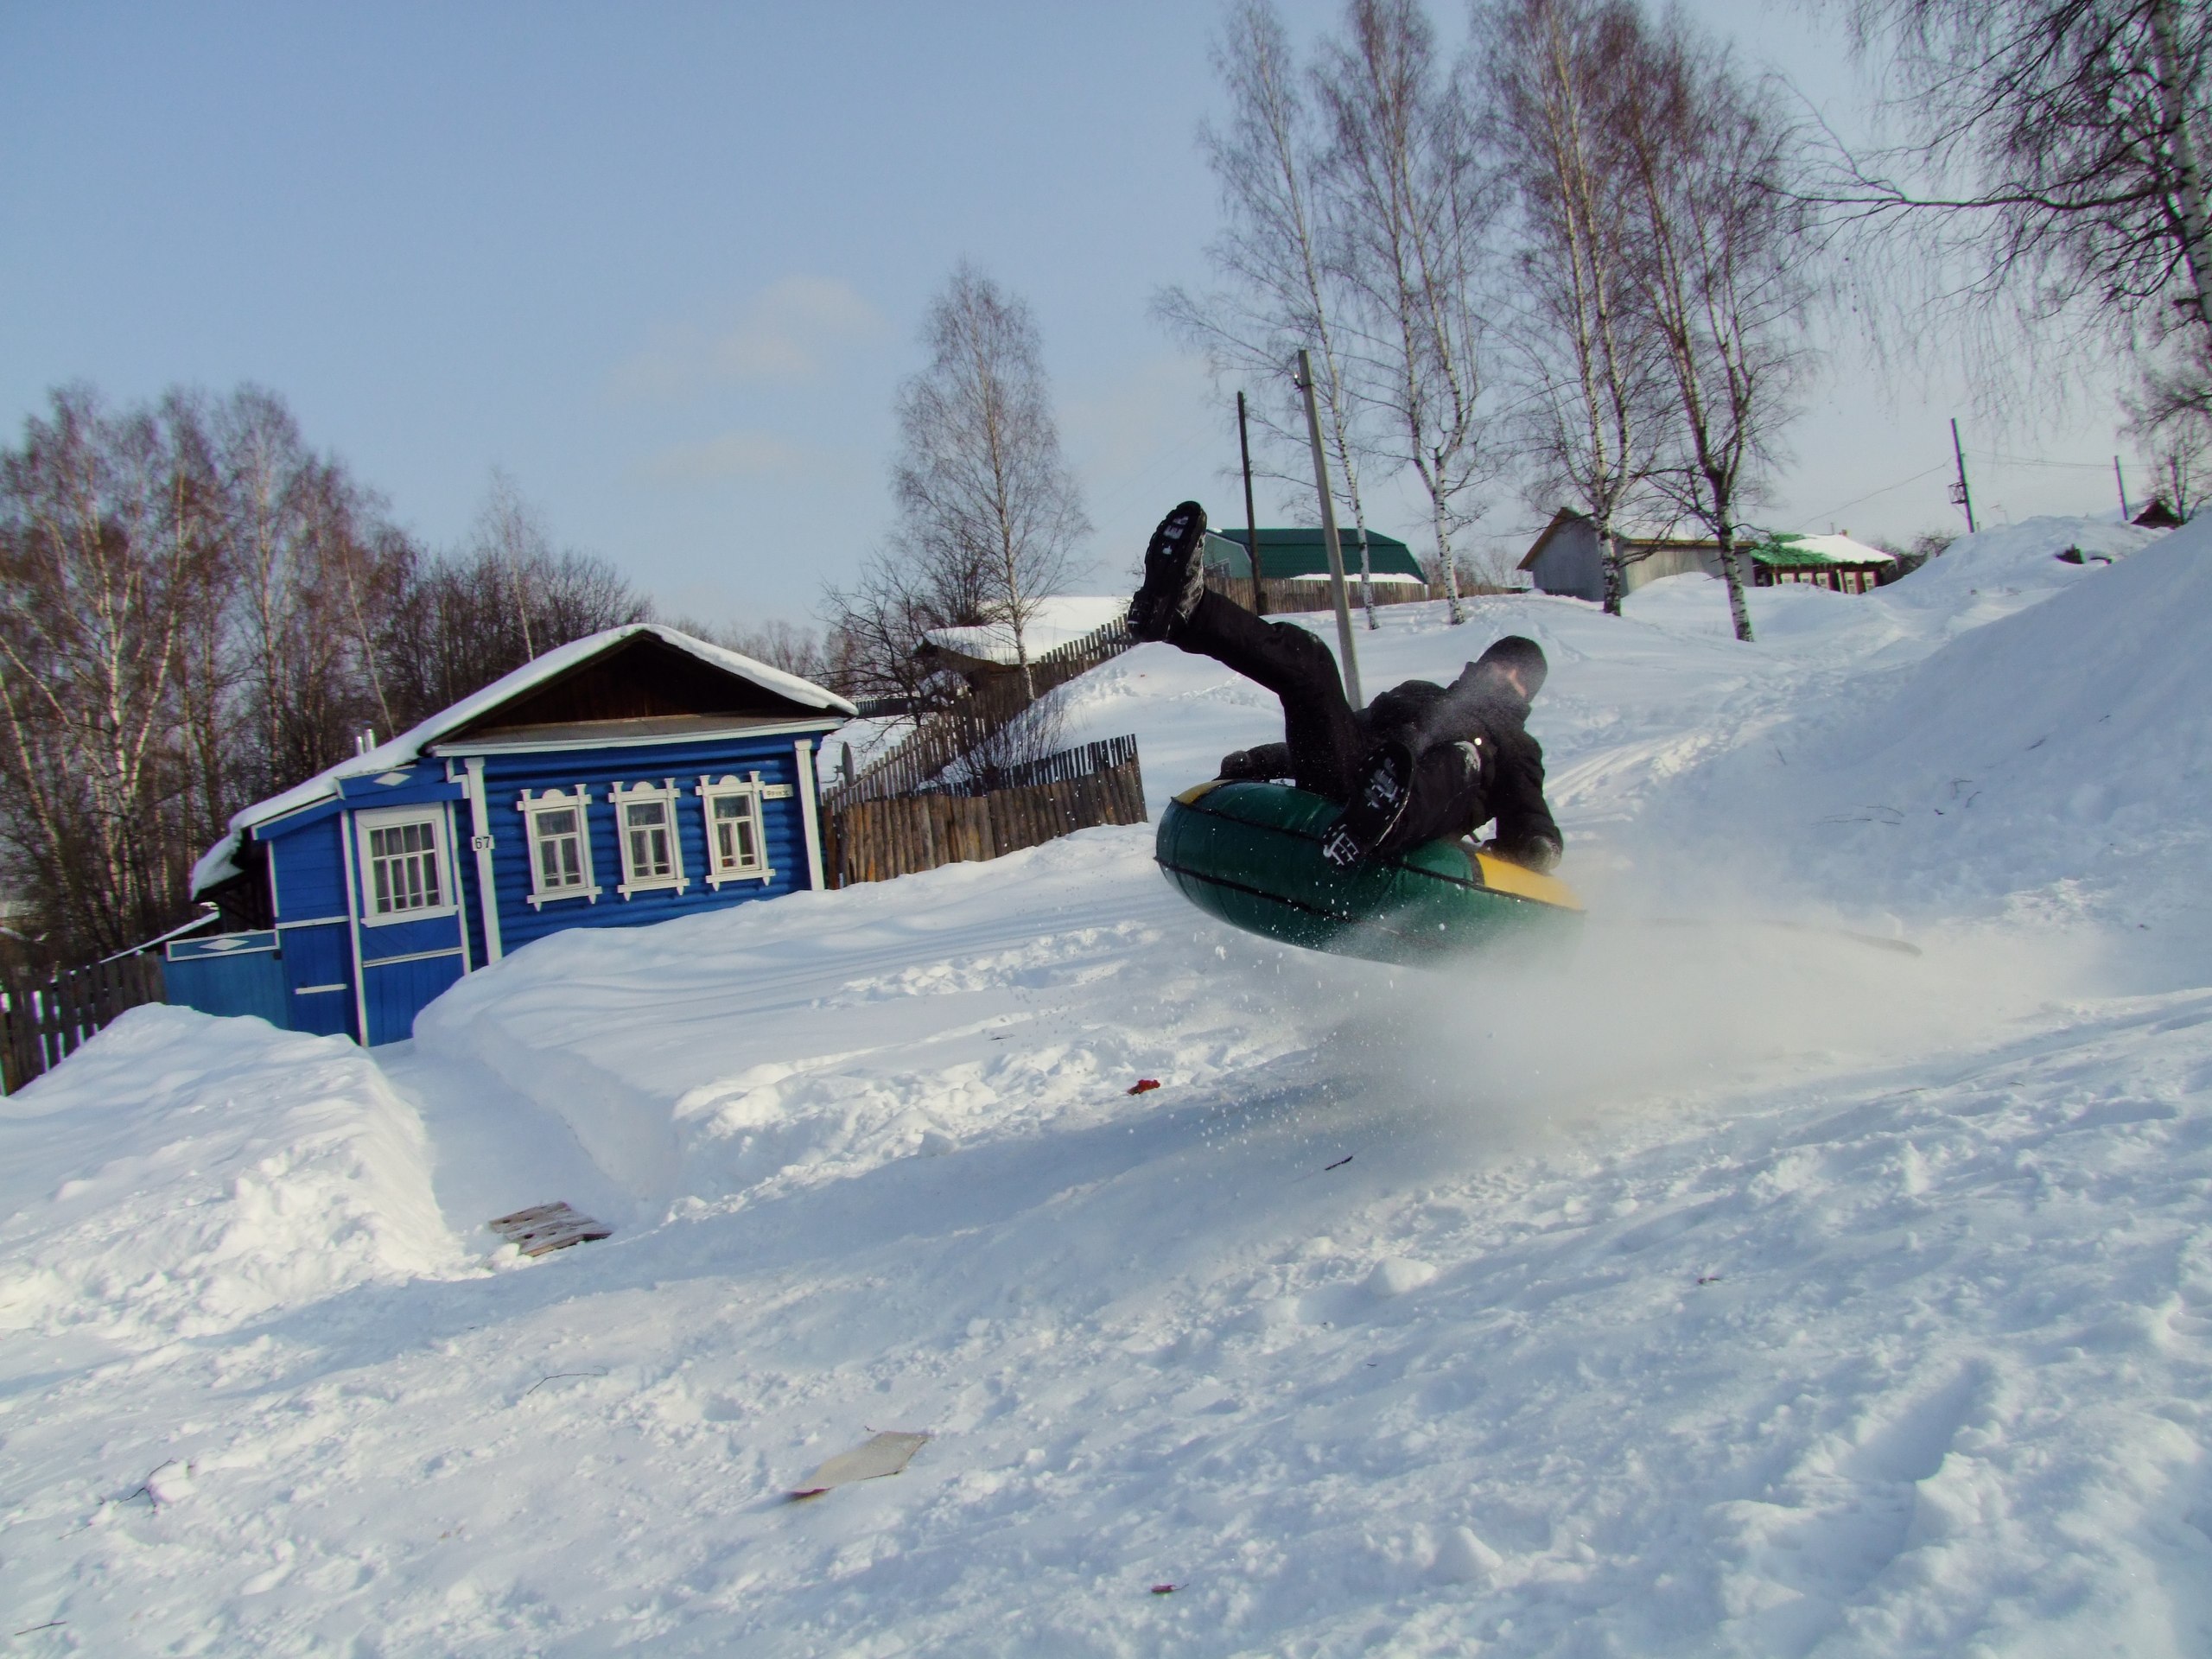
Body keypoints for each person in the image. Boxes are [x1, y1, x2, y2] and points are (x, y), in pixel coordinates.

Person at [1128, 500, 1562, 873]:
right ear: (1479, 667)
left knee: (1465, 754)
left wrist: (1539, 846)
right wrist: (1262, 761)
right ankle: (1186, 612)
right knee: (1312, 661)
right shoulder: (1419, 694)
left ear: (1527, 699)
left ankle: (1383, 817)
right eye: (1501, 666)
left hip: (1413, 816)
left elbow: (1529, 812)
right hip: (1351, 778)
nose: (1506, 678)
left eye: (1520, 679)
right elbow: (1345, 728)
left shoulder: (1514, 744)